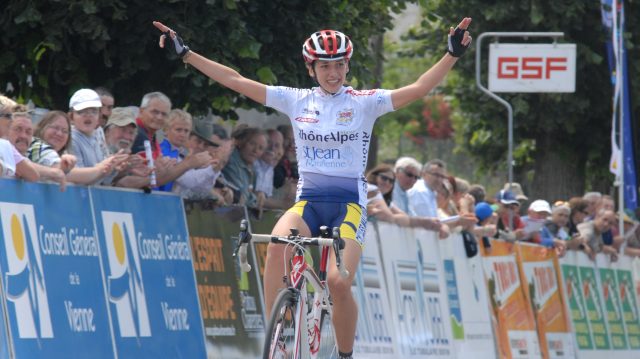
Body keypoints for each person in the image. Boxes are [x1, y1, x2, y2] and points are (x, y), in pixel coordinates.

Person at [154, 17, 472, 358]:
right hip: (308, 202)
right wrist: (187, 54)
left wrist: (451, 54)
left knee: (338, 282)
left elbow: (419, 88)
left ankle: (346, 354)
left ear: (347, 66)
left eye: (339, 65)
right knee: (276, 244)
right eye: (324, 66)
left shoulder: (365, 102)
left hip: (349, 204)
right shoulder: (296, 100)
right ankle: (276, 330)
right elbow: (236, 80)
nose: (332, 73)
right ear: (311, 68)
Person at [30, 110, 122, 185]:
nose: (59, 134)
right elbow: (68, 175)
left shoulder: (63, 154)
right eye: (55, 128)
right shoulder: (37, 145)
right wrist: (101, 168)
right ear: (42, 127)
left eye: (65, 131)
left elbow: (83, 182)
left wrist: (106, 170)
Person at [222, 126, 268, 207]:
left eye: (260, 148)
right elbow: (242, 196)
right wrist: (256, 198)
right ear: (241, 143)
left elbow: (249, 195)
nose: (255, 150)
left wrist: (259, 194)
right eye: (252, 144)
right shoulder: (231, 161)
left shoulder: (252, 169)